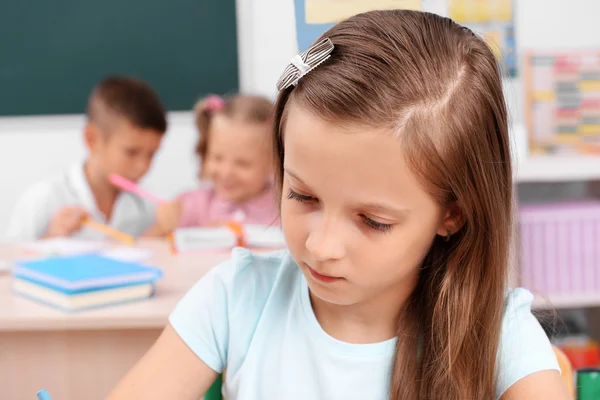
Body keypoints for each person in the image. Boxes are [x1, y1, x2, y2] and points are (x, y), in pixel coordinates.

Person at [108, 11, 569, 400]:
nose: (322, 246)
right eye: (302, 196)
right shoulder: (235, 297)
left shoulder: (502, 337)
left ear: (453, 213)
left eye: (373, 220)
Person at [6, 76, 167, 240]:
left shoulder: (149, 209)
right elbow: (10, 262)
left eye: (152, 154)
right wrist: (51, 237)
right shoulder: (45, 199)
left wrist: (162, 229)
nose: (143, 166)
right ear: (91, 139)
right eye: (131, 152)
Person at [146, 94, 277, 236]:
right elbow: (141, 248)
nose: (226, 172)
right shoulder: (191, 206)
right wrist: (162, 227)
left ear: (273, 162)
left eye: (242, 164)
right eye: (217, 158)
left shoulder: (285, 210)